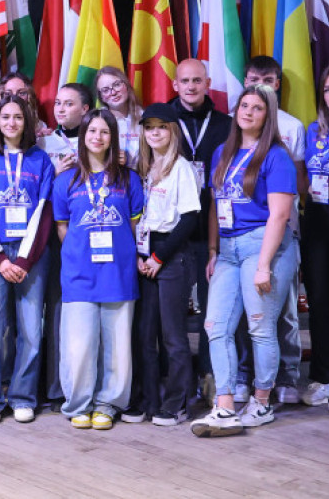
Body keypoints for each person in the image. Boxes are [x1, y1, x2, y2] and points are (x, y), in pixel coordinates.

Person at [190, 85, 298, 437]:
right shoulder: (222, 152)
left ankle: (261, 402)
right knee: (215, 326)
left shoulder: (276, 156)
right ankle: (224, 407)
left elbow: (279, 215)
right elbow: (215, 206)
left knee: (259, 326)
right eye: (244, 106)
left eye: (257, 108)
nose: (248, 112)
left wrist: (264, 264)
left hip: (263, 245)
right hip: (228, 249)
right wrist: (213, 250)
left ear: (268, 116)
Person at [53, 108, 143, 430]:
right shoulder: (65, 180)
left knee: (117, 346)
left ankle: (108, 404)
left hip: (118, 273)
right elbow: (63, 227)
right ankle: (79, 404)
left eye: (105, 131)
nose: (98, 137)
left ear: (112, 137)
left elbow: (134, 226)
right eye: (92, 131)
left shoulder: (129, 179)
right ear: (83, 135)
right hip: (79, 273)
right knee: (78, 346)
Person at [0, 93, 55, 424]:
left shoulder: (41, 161)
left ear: (27, 122)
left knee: (31, 329)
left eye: (18, 117)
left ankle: (22, 396)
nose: (11, 123)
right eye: (5, 117)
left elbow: (43, 214)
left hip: (30, 255)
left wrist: (23, 260)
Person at [235, 56, 306, 405]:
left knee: (285, 309)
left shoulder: (291, 126)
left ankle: (288, 375)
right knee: (248, 312)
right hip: (243, 232)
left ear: (277, 84)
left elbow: (300, 179)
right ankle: (245, 374)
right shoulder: (237, 126)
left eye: (266, 79)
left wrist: (291, 219)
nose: (259, 84)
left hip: (282, 226)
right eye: (253, 79)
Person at [168, 58, 232, 400]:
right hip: (172, 233)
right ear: (175, 84)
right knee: (172, 313)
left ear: (207, 83)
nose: (191, 86)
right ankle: (176, 380)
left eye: (197, 80)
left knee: (213, 312)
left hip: (213, 231)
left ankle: (211, 377)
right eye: (185, 81)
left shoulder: (227, 124)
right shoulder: (161, 120)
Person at [132, 103, 200, 426]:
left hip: (172, 253)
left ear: (172, 131)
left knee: (173, 335)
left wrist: (159, 257)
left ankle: (177, 402)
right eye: (149, 127)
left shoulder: (181, 167)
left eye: (161, 127)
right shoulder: (144, 167)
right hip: (146, 252)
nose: (155, 133)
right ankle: (149, 399)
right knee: (145, 334)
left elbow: (189, 219)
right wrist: (141, 256)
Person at [38, 81, 91, 410]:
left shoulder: (98, 137)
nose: (60, 108)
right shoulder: (43, 141)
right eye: (57, 103)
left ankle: (88, 385)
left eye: (69, 103)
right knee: (54, 311)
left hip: (90, 236)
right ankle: (54, 388)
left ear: (85, 109)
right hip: (52, 236)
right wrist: (54, 171)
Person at [299, 63, 329, 413]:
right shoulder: (314, 129)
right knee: (317, 299)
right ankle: (325, 376)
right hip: (316, 215)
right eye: (328, 89)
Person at [95, 66, 142, 167]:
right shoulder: (96, 120)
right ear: (101, 97)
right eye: (105, 90)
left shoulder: (144, 117)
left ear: (126, 85)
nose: (113, 93)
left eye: (116, 85)